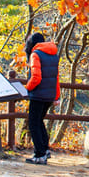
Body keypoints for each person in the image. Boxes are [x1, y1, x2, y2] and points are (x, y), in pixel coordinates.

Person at [24, 32, 60, 165]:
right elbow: (56, 77)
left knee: (33, 123)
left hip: (38, 95)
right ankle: (45, 149)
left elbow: (36, 77)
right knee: (39, 121)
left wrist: (27, 88)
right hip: (49, 95)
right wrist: (56, 95)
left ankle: (40, 154)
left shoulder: (36, 54)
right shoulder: (53, 55)